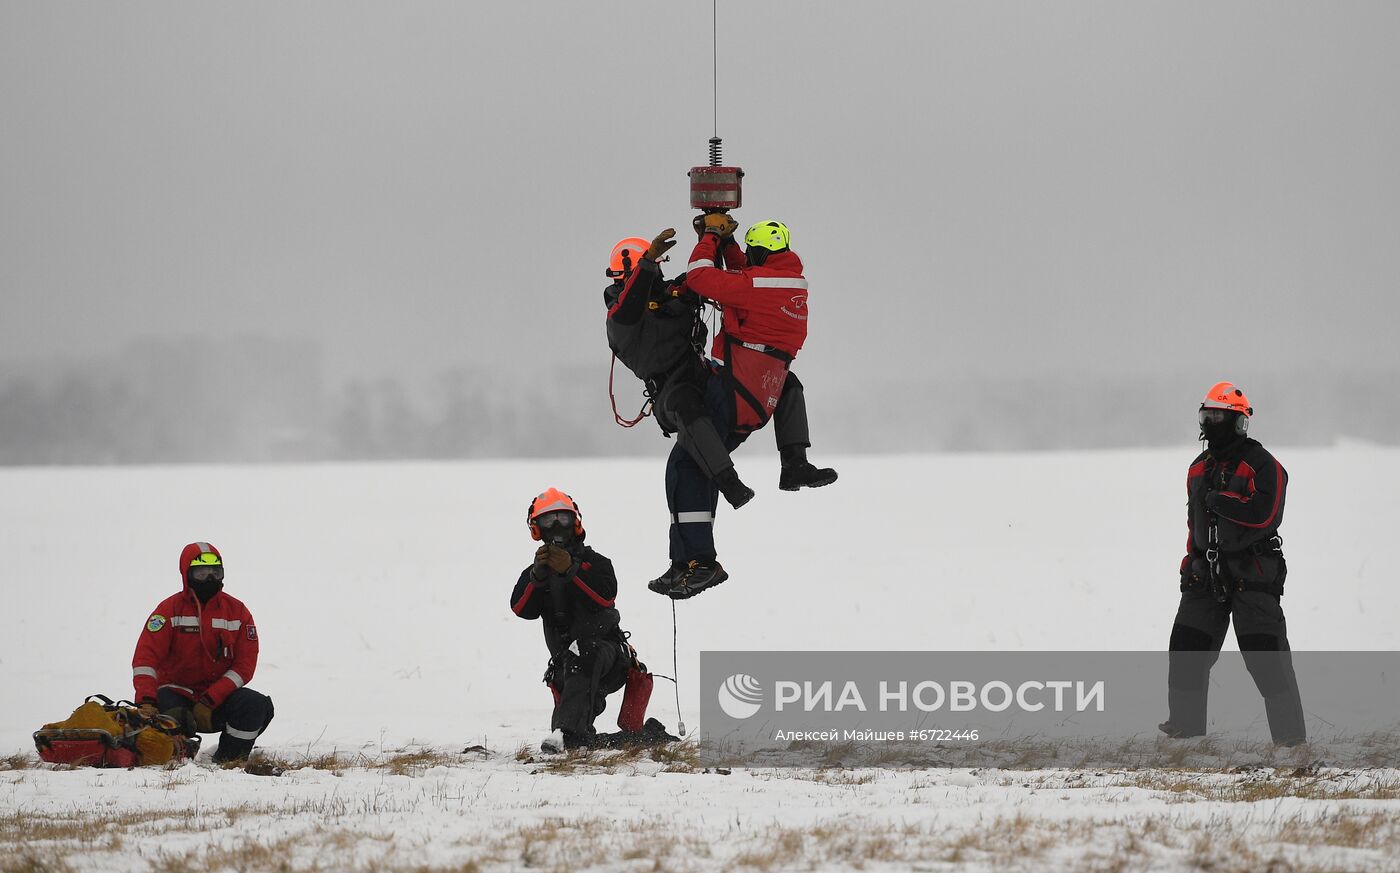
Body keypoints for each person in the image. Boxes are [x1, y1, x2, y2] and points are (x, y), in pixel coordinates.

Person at [645, 216, 836, 599]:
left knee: (685, 462)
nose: (746, 258)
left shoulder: (758, 284)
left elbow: (700, 277)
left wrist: (710, 237)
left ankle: (701, 557)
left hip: (736, 388)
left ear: (762, 253)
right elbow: (745, 276)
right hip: (766, 387)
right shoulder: (786, 280)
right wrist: (729, 244)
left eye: (750, 252)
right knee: (693, 462)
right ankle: (793, 463)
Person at [1161, 382, 1305, 745]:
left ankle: (1290, 747)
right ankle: (1186, 739)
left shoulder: (1264, 465)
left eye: (1217, 416)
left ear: (1238, 421)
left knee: (1266, 661)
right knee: (1186, 650)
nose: (1209, 424)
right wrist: (1190, 561)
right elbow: (1195, 523)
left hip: (1252, 576)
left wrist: (1220, 501)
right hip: (1204, 575)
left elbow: (1265, 516)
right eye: (1205, 415)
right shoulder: (1197, 468)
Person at [510, 489, 673, 751]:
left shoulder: (596, 563)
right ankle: (633, 737)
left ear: (575, 523)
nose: (556, 527)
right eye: (548, 521)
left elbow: (604, 597)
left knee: (584, 654)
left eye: (562, 519)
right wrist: (537, 578)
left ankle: (565, 734)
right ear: (536, 529)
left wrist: (571, 571)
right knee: (579, 740)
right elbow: (520, 608)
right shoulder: (535, 572)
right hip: (566, 665)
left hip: (608, 658)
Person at [132, 542, 275, 763]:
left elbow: (244, 667)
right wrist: (146, 701)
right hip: (175, 696)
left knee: (256, 705)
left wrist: (211, 699)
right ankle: (177, 759)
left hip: (218, 700)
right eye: (201, 572)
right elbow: (145, 658)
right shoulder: (168, 610)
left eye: (215, 572)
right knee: (171, 712)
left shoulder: (238, 612)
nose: (210, 579)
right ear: (186, 575)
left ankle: (228, 761)